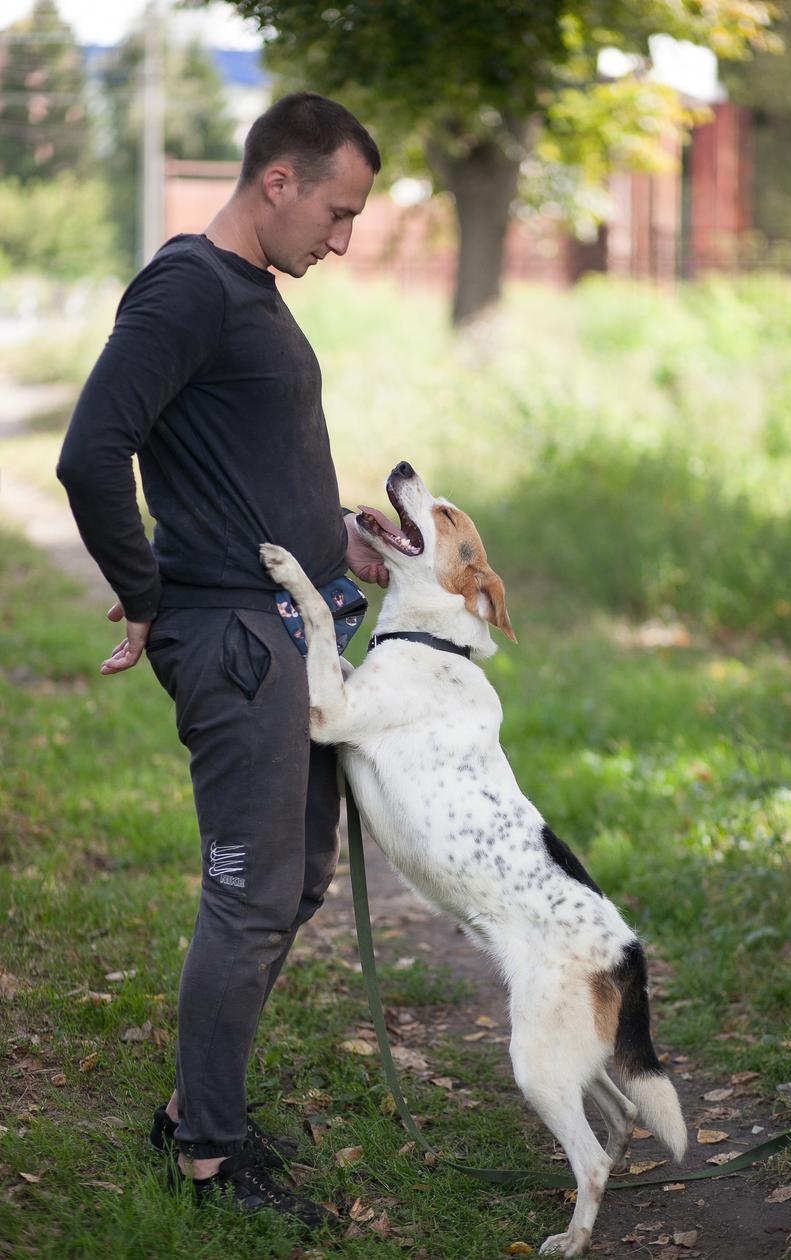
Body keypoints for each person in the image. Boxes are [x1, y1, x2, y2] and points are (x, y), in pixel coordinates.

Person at [57, 92, 387, 1227]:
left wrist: (336, 535)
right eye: (336, 213)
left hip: (288, 625)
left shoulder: (248, 293)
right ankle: (205, 1158)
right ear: (278, 181)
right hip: (237, 642)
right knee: (248, 899)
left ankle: (199, 1108)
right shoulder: (190, 286)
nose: (340, 241)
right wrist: (151, 598)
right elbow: (91, 452)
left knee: (293, 880)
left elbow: (232, 455)